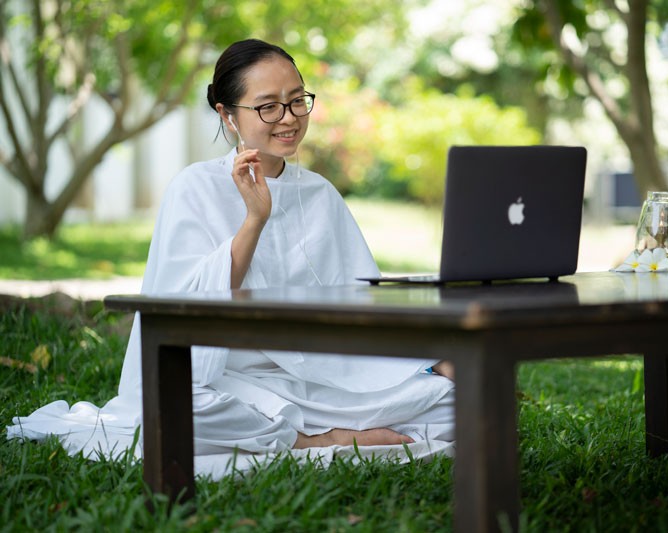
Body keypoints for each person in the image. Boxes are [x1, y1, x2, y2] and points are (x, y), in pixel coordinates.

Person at [7, 39, 455, 477]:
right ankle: (317, 442)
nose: (289, 118)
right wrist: (254, 219)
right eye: (268, 106)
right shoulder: (194, 186)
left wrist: (426, 361)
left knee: (457, 399)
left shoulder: (321, 193)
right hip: (223, 380)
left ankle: (324, 428)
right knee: (174, 401)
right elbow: (185, 310)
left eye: (298, 101)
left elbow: (362, 302)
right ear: (228, 114)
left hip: (315, 379)